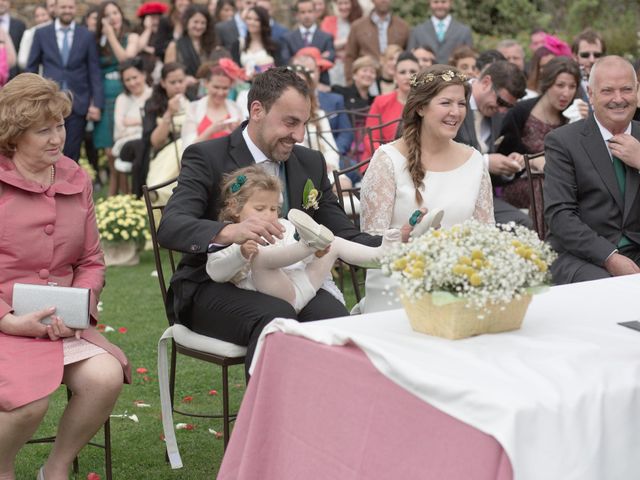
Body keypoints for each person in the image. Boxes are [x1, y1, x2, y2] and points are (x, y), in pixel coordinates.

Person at [156, 66, 380, 372]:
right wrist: (231, 231)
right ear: (257, 110)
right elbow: (172, 225)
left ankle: (321, 415)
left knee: (332, 319)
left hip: (291, 281)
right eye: (290, 123)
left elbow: (340, 229)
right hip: (214, 285)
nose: (299, 136)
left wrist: (396, 244)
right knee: (277, 319)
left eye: (304, 124)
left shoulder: (309, 163)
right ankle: (269, 419)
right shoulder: (207, 156)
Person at [0, 73, 129, 480]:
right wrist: (8, 319)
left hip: (61, 323)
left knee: (105, 376)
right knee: (29, 402)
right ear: (14, 135)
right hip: (4, 325)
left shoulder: (75, 176)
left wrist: (78, 309)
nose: (57, 137)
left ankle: (54, 470)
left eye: (60, 125)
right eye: (43, 130)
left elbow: (91, 259)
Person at [360, 64, 494, 312]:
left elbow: (486, 238)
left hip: (460, 285)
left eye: (462, 104)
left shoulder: (475, 161)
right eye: (446, 103)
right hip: (398, 285)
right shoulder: (387, 160)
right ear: (420, 107)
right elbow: (371, 242)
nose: (456, 112)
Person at [207, 165, 395, 312]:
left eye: (273, 209)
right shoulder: (228, 236)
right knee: (260, 258)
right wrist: (240, 255)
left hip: (304, 285)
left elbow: (297, 260)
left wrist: (315, 254)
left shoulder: (283, 226)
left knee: (333, 242)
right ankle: (308, 244)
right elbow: (215, 272)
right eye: (260, 209)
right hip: (276, 296)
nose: (268, 215)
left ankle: (380, 255)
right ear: (234, 207)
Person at [544, 56, 640, 284]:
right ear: (591, 93)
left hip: (636, 251)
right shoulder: (563, 141)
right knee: (609, 289)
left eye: (626, 89)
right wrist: (610, 257)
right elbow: (560, 216)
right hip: (582, 255)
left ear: (637, 90)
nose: (618, 99)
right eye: (607, 91)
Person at [496, 57, 579, 217]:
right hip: (522, 182)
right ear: (547, 84)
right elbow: (503, 154)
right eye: (560, 85)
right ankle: (543, 238)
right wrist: (529, 161)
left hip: (562, 183)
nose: (566, 93)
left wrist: (579, 121)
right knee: (543, 184)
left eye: (572, 86)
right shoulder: (520, 112)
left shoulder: (573, 115)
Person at [453, 60, 529, 227]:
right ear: (486, 82)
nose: (503, 111)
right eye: (501, 102)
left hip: (481, 199)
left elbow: (491, 172)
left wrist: (507, 166)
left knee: (523, 224)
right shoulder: (453, 98)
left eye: (508, 106)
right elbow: (438, 153)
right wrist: (485, 162)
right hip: (446, 195)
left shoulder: (496, 114)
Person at [27, 0, 104, 162]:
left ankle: (68, 187)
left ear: (75, 9)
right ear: (55, 9)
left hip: (78, 103)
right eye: (63, 7)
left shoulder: (86, 35)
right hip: (48, 103)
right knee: (47, 149)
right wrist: (30, 99)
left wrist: (96, 103)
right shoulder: (41, 33)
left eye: (70, 7)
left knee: (71, 151)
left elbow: (94, 71)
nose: (67, 10)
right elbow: (31, 68)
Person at [94, 0, 141, 196]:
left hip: (125, 96)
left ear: (121, 15)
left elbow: (125, 59)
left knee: (122, 146)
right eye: (107, 14)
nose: (112, 17)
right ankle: (116, 192)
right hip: (105, 98)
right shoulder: (98, 42)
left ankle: (126, 193)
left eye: (115, 13)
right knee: (108, 151)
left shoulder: (131, 37)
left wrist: (111, 35)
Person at [136, 62, 188, 200]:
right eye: (173, 82)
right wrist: (169, 113)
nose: (178, 86)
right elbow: (154, 142)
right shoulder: (153, 104)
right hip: (163, 152)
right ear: (163, 83)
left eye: (181, 81)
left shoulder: (193, 100)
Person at [363, 51, 420, 161]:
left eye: (413, 72)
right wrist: (389, 157)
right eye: (402, 72)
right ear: (395, 76)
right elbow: (370, 138)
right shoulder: (380, 101)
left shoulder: (426, 104)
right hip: (380, 160)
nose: (408, 76)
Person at [181, 59, 244, 150]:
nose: (220, 92)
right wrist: (210, 131)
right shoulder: (194, 109)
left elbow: (242, 147)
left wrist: (237, 132)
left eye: (225, 88)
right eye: (216, 87)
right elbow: (187, 149)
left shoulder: (235, 109)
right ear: (206, 84)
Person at [111, 57, 153, 189]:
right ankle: (140, 194)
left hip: (150, 141)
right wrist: (145, 123)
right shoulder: (122, 99)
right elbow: (121, 129)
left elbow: (156, 123)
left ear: (144, 75)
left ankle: (141, 195)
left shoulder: (153, 94)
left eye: (135, 77)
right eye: (127, 80)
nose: (132, 83)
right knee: (141, 145)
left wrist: (134, 122)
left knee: (143, 151)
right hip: (126, 145)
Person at [343, 0, 408, 83]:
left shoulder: (403, 26)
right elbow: (350, 57)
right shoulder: (358, 26)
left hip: (395, 83)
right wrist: (350, 83)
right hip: (367, 82)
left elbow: (408, 57)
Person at [164, 4, 217, 99]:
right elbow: (168, 74)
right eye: (195, 22)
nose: (199, 26)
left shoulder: (212, 45)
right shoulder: (175, 46)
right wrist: (183, 79)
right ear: (187, 22)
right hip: (184, 94)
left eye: (202, 23)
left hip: (209, 94)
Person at [280, 0, 335, 86]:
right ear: (297, 15)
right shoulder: (287, 38)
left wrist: (297, 58)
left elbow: (331, 58)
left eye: (310, 11)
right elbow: (285, 61)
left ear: (315, 13)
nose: (307, 15)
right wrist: (319, 58)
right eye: (303, 12)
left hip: (321, 84)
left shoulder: (326, 37)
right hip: (295, 84)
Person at [407, 0, 472, 65]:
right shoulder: (417, 31)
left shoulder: (464, 31)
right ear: (429, 3)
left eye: (443, 2)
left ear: (451, 3)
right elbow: (410, 60)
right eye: (436, 2)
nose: (440, 6)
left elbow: (469, 60)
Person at [564, 29, 606, 123]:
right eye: (585, 55)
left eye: (597, 55)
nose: (592, 60)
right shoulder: (567, 84)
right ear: (575, 57)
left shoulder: (614, 81)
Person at [230, 5, 282, 80]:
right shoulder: (238, 44)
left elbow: (279, 70)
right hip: (244, 88)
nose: (252, 22)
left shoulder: (274, 46)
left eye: (256, 19)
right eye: (249, 18)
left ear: (263, 22)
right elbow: (235, 70)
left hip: (268, 87)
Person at [319, 0, 363, 86]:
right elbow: (325, 46)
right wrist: (349, 41)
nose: (343, 7)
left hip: (354, 67)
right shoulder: (328, 21)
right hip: (334, 68)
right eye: (340, 3)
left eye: (346, 3)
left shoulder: (359, 22)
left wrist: (337, 47)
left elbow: (361, 45)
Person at [17, 3, 52, 71]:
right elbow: (22, 61)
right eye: (37, 16)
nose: (40, 19)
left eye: (43, 15)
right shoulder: (29, 34)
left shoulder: (57, 32)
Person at [0, 0, 25, 79]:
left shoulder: (20, 25)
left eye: (4, 0)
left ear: (10, 2)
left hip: (14, 76)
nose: (1, 3)